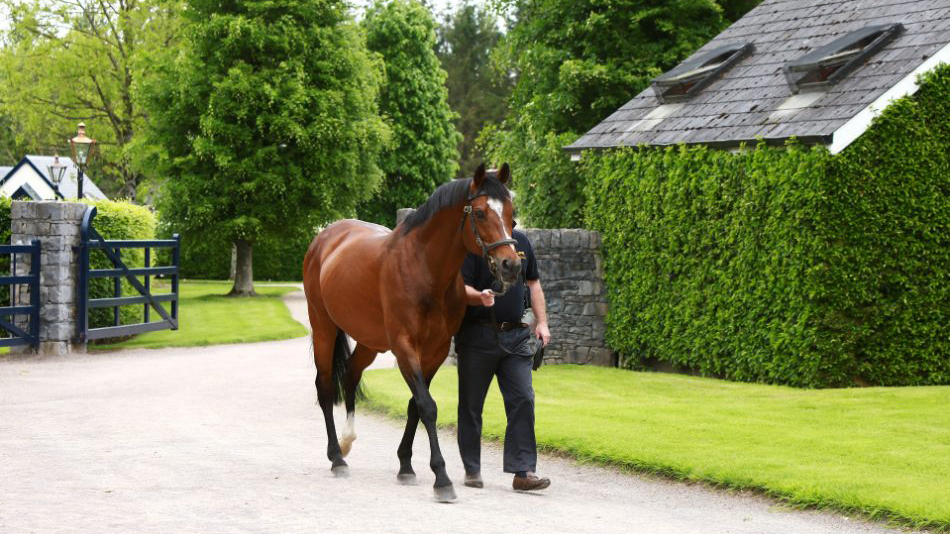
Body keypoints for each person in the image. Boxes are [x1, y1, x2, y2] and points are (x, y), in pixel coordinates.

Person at [455, 226, 552, 491]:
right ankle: (472, 469)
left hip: (516, 336)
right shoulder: (474, 244)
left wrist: (541, 322)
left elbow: (533, 283)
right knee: (471, 405)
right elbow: (458, 288)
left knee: (523, 398)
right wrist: (478, 296)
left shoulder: (521, 241)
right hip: (477, 336)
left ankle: (523, 472)